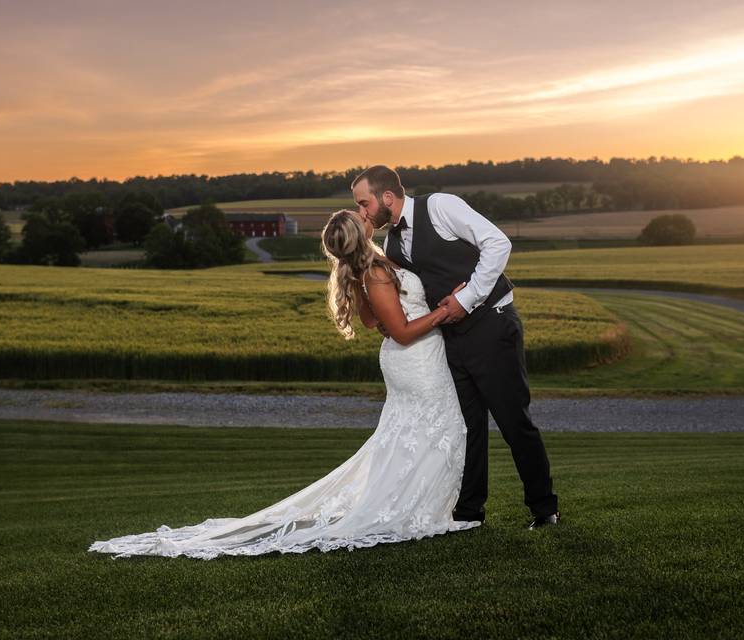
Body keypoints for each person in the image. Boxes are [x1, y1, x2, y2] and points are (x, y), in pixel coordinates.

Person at [87, 209, 478, 559]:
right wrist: (446, 309)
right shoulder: (374, 273)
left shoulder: (369, 269)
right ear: (361, 235)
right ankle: (415, 512)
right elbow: (402, 332)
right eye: (360, 215)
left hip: (414, 361)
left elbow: (374, 323)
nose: (365, 214)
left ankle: (422, 507)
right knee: (437, 428)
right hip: (416, 359)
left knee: (414, 433)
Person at [351, 165, 560, 529]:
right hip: (447, 339)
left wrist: (469, 299)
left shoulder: (441, 207)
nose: (362, 212)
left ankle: (544, 510)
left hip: (491, 326)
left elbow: (498, 243)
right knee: (467, 427)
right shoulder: (391, 243)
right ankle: (469, 513)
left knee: (514, 422)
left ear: (387, 197)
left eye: (364, 203)